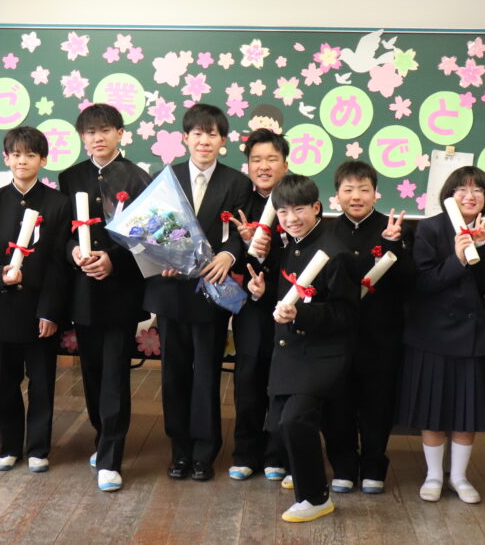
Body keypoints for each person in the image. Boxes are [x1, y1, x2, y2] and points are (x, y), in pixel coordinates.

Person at [143, 103, 250, 482]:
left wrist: (228, 254)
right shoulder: (165, 177)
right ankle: (179, 452)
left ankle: (205, 452)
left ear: (223, 141)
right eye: (198, 134)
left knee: (206, 374)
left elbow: (242, 232)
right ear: (185, 138)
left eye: (212, 134)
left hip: (211, 291)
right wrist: (163, 257)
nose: (205, 141)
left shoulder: (237, 183)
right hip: (171, 290)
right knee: (173, 375)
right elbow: (151, 229)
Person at [245, 174, 359, 523]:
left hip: (323, 356)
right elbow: (285, 300)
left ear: (316, 208)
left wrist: (300, 314)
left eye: (299, 210)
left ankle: (315, 498)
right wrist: (262, 292)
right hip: (291, 351)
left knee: (295, 419)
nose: (291, 218)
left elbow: (346, 313)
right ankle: (304, 473)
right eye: (283, 212)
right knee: (281, 424)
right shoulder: (289, 246)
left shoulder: (336, 253)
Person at [59, 104, 151, 492]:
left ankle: (112, 458)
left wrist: (113, 260)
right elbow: (62, 233)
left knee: (114, 373)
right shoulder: (69, 177)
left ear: (120, 134)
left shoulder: (139, 177)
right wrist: (74, 253)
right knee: (92, 374)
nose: (97, 138)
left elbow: (146, 237)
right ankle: (103, 438)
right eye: (90, 132)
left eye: (105, 130)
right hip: (82, 290)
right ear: (82, 137)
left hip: (121, 290)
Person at [0, 126, 71, 474]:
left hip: (41, 309)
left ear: (43, 160)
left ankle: (39, 448)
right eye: (16, 154)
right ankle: (9, 446)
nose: (22, 161)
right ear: (6, 158)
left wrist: (50, 311)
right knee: (7, 381)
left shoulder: (58, 204)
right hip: (4, 308)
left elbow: (59, 264)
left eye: (30, 155)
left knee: (42, 382)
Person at [398, 165, 485, 504]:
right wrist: (457, 258)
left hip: (472, 334)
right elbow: (422, 283)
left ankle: (460, 477)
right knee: (432, 409)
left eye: (478, 190)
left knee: (467, 411)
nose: (470, 196)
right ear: (449, 195)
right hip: (432, 333)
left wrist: (480, 250)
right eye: (462, 189)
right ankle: (434, 475)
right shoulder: (429, 228)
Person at [322, 161, 414, 494]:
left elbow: (409, 282)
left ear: (376, 193)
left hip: (381, 334)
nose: (356, 196)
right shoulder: (327, 232)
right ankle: (343, 467)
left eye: (364, 189)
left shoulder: (394, 229)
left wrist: (393, 246)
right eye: (348, 190)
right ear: (337, 195)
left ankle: (374, 465)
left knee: (378, 403)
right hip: (337, 336)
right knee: (338, 404)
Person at [227, 128, 290, 482]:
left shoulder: (297, 201)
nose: (263, 166)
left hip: (289, 305)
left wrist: (271, 248)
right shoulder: (240, 204)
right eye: (256, 160)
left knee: (281, 379)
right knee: (248, 377)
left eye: (271, 159)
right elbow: (228, 259)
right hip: (251, 305)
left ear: (285, 164)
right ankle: (245, 453)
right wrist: (247, 250)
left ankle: (277, 453)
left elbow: (304, 251)